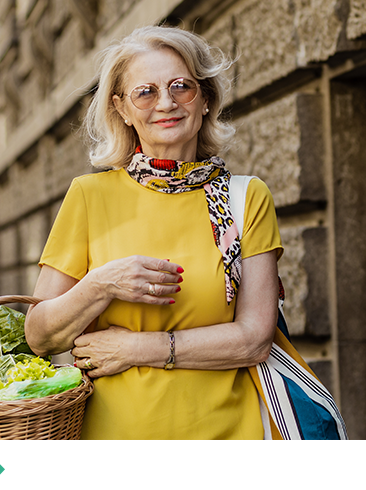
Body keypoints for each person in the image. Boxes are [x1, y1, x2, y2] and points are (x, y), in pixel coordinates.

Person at [25, 25, 283, 440]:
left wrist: (137, 348)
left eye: (181, 86)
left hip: (228, 440)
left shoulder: (245, 198)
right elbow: (40, 335)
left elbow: (254, 340)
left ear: (205, 100)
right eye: (145, 92)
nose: (166, 103)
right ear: (122, 109)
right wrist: (100, 285)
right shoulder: (89, 195)